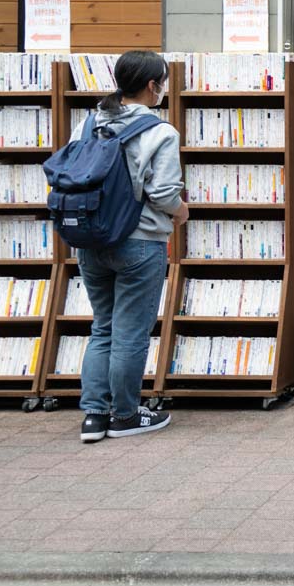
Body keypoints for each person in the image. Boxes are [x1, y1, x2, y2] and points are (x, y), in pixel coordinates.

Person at [76, 51, 186, 442]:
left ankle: (93, 416)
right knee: (130, 334)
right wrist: (181, 211)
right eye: (163, 84)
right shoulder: (160, 132)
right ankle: (124, 416)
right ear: (153, 86)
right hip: (140, 243)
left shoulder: (88, 123)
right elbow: (163, 193)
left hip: (89, 240)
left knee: (102, 328)